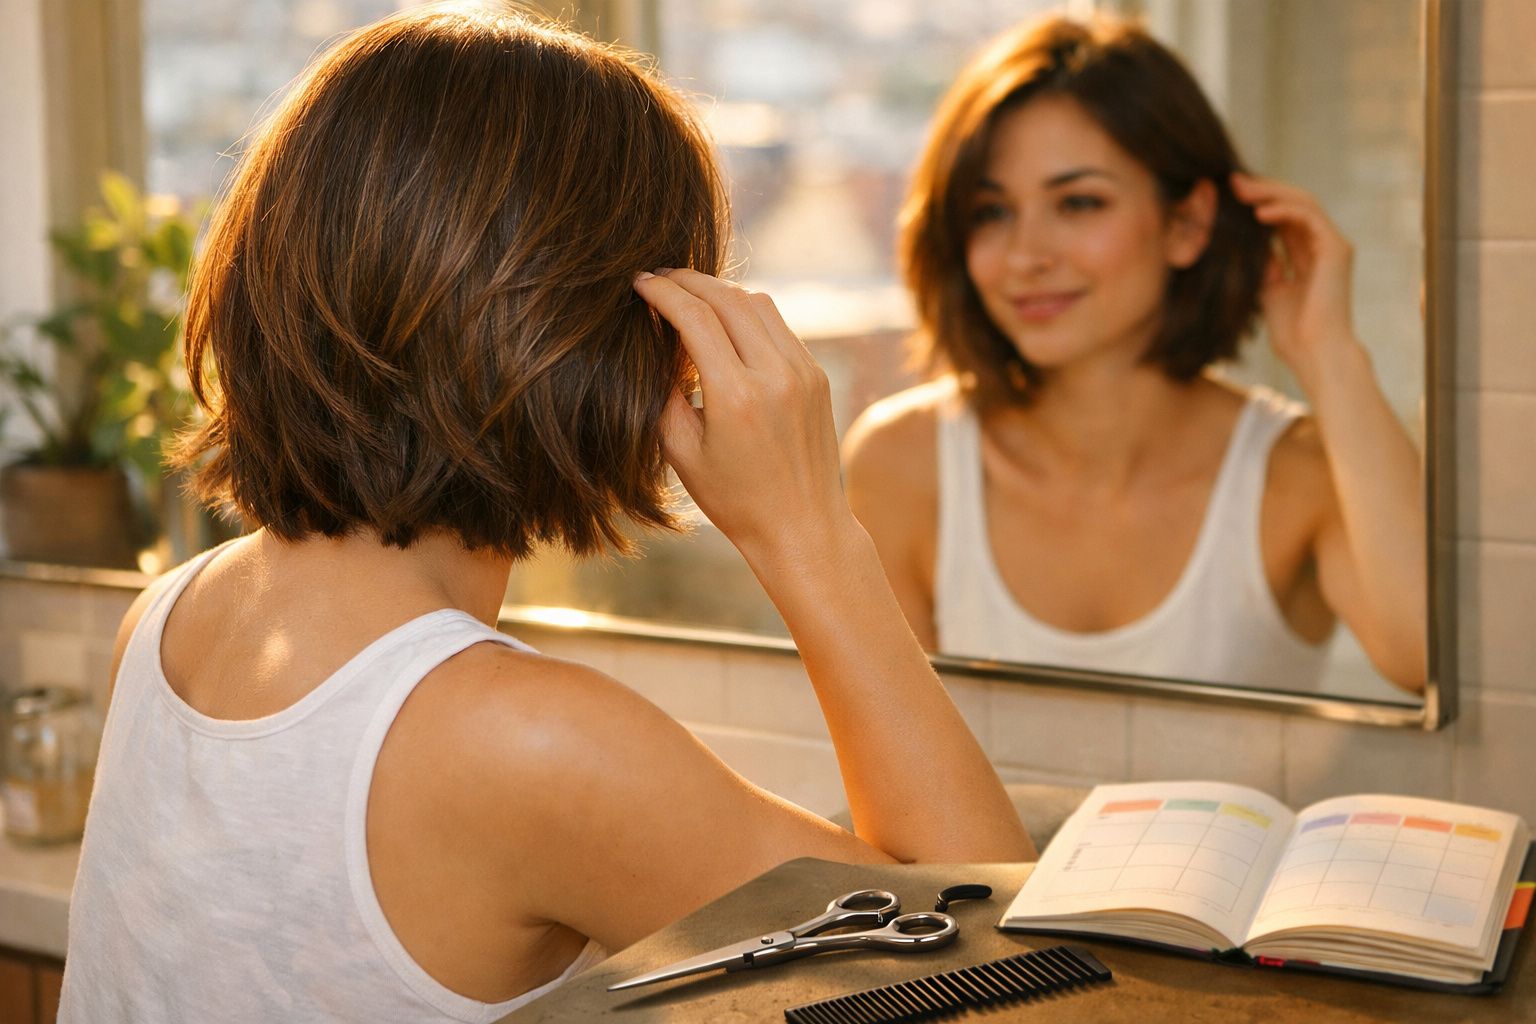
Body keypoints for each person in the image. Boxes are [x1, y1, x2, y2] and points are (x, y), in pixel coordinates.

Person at [57, 5, 1034, 1021]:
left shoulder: (166, 619)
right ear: (612, 338)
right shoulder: (527, 744)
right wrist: (811, 537)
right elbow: (1004, 971)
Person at [843, 15, 1426, 694]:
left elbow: (1426, 664)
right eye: (990, 213)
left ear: (1187, 223)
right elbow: (889, 757)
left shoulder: (1299, 474)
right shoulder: (903, 462)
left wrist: (1328, 353)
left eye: (1079, 203)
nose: (1027, 256)